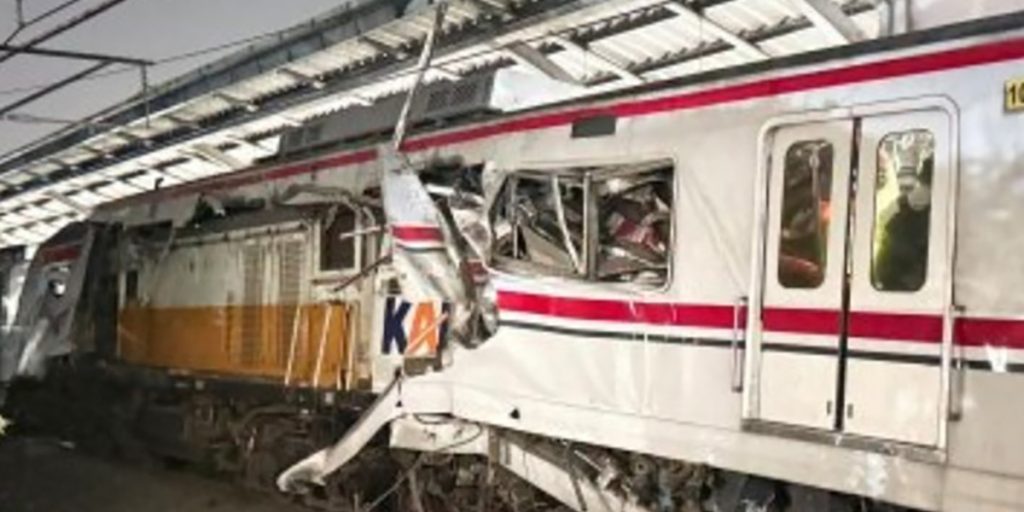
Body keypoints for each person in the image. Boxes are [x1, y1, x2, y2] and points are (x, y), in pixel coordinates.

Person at [873, 156, 933, 291]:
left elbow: (882, 223)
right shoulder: (941, 205)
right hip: (914, 279)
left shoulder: (900, 203)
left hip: (889, 273)